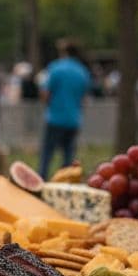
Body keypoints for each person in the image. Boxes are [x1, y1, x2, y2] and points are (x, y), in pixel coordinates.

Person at [38, 43, 93, 179]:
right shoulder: (83, 71)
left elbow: (45, 92)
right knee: (68, 158)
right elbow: (84, 99)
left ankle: (41, 181)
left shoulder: (56, 68)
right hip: (74, 120)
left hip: (55, 118)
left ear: (64, 52)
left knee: (47, 155)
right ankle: (65, 185)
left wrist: (49, 105)